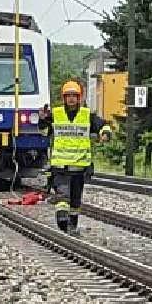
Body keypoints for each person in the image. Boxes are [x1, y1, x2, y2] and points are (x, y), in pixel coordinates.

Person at [44, 80, 98, 232]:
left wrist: (105, 132)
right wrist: (42, 120)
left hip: (80, 167)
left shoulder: (87, 115)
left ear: (79, 97)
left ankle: (72, 224)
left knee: (75, 199)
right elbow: (43, 130)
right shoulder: (56, 114)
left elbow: (102, 125)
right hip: (60, 166)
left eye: (74, 95)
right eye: (68, 95)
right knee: (62, 194)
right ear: (64, 97)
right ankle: (62, 219)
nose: (71, 98)